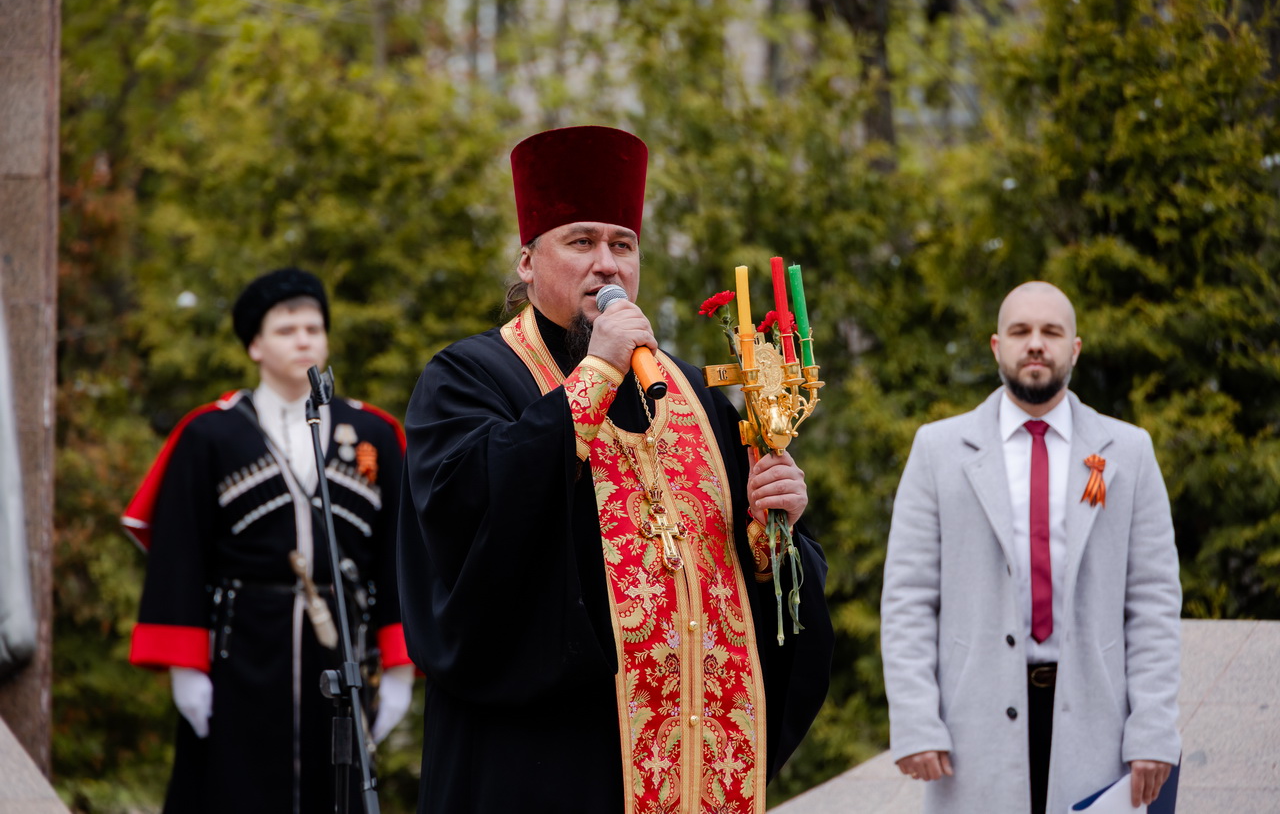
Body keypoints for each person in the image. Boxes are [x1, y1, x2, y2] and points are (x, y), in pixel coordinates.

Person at [397, 125, 835, 813]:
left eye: (623, 245)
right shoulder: (469, 377)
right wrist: (596, 372)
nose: (607, 265)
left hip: (696, 765)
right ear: (527, 263)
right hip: (554, 762)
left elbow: (753, 586)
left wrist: (771, 532)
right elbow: (468, 531)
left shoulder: (694, 394)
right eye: (581, 242)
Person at [880, 281, 1182, 814]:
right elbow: (909, 598)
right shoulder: (937, 450)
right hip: (970, 725)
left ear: (1075, 348)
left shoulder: (1129, 452)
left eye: (1051, 332)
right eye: (1020, 331)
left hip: (1099, 723)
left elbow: (1153, 602)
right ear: (997, 347)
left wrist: (1154, 729)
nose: (1036, 343)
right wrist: (915, 720)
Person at [124, 268, 414, 814]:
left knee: (338, 789)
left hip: (343, 649)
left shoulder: (374, 432)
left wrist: (399, 671)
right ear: (254, 345)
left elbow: (401, 556)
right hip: (240, 649)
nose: (303, 339)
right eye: (286, 330)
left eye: (313, 328)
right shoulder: (209, 433)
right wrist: (187, 671)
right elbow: (179, 555)